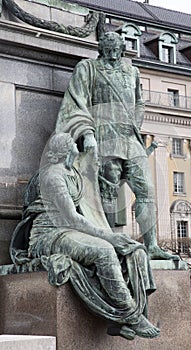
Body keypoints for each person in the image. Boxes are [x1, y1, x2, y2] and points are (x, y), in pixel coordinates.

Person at [13, 132, 159, 340]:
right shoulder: (53, 176)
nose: (76, 144)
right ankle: (131, 316)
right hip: (48, 236)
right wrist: (109, 238)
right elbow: (72, 218)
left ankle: (117, 320)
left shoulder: (72, 172)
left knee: (133, 251)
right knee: (105, 251)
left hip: (70, 232)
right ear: (65, 150)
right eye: (72, 142)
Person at [56, 31, 178, 260]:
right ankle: (108, 243)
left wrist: (135, 123)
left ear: (122, 50)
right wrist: (87, 134)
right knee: (107, 191)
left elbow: (139, 102)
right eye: (108, 52)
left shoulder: (133, 72)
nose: (113, 57)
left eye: (116, 52)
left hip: (130, 139)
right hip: (103, 137)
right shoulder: (88, 68)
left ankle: (151, 245)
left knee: (147, 191)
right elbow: (77, 102)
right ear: (101, 50)